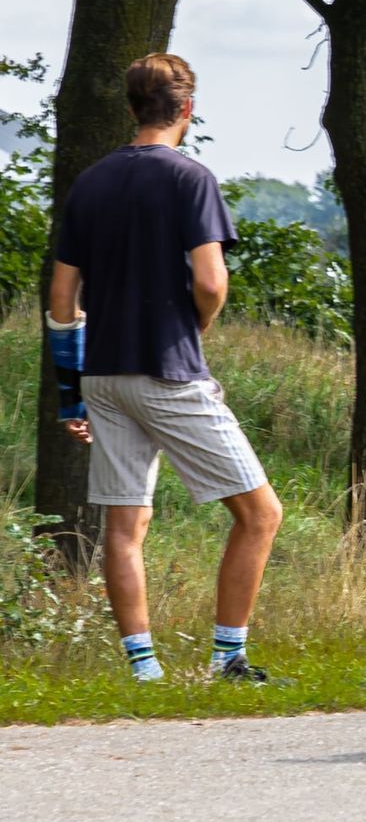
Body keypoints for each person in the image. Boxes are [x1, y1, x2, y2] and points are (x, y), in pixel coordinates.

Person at [45, 53, 283, 683]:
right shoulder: (190, 178)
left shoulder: (90, 183)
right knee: (260, 514)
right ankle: (227, 659)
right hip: (167, 372)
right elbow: (211, 281)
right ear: (187, 110)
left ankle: (145, 673)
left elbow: (62, 300)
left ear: (131, 108)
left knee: (125, 524)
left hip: (103, 377)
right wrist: (193, 331)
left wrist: (71, 396)